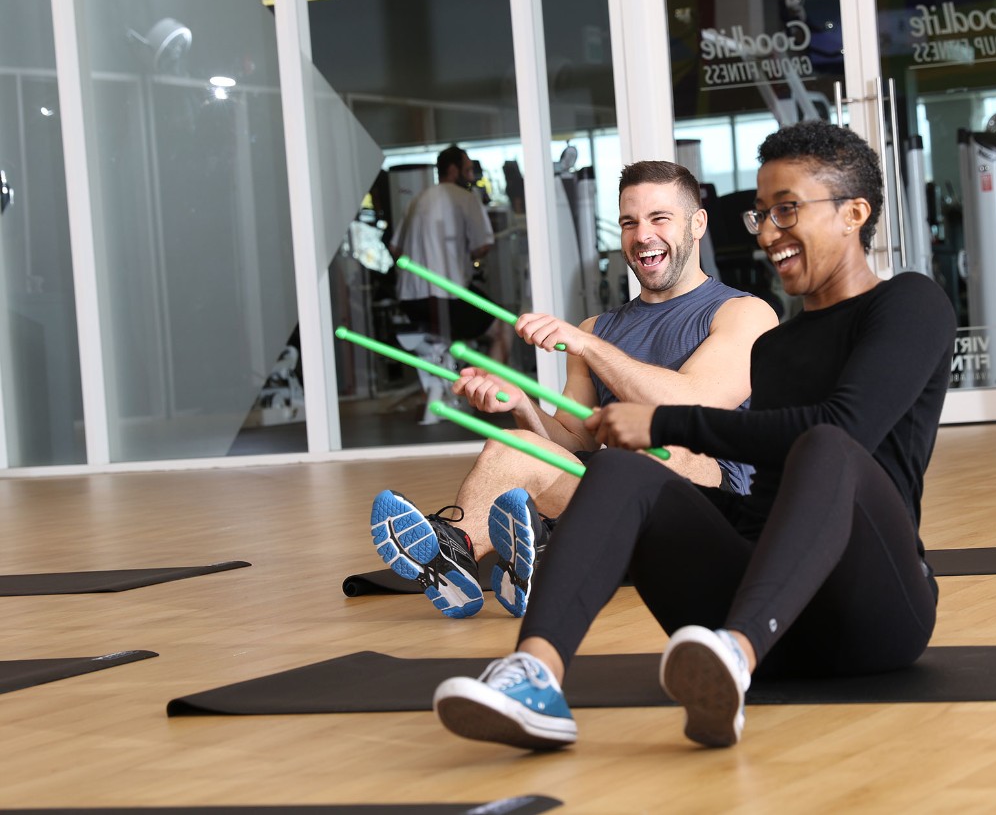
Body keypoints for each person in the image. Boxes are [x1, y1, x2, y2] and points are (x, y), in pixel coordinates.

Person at [430, 121, 957, 751]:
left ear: (854, 213)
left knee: (823, 445)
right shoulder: (780, 346)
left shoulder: (907, 304)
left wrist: (664, 421)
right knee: (621, 471)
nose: (768, 233)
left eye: (787, 210)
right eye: (761, 215)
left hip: (875, 612)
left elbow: (843, 429)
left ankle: (734, 656)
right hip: (761, 608)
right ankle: (534, 675)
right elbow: (758, 489)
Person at [370, 160, 779, 621]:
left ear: (697, 223)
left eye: (659, 218)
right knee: (513, 448)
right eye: (629, 222)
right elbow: (576, 442)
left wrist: (589, 344)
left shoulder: (744, 313)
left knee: (657, 443)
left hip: (711, 508)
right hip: (615, 490)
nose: (642, 235)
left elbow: (687, 405)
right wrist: (521, 404)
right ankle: (456, 553)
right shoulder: (598, 328)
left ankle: (546, 544)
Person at [392, 145, 512, 401]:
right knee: (503, 329)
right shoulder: (465, 198)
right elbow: (483, 245)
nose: (471, 176)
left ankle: (455, 389)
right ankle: (487, 400)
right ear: (453, 169)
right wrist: (460, 257)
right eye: (468, 169)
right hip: (447, 297)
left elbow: (394, 248)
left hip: (410, 300)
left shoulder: (417, 199)